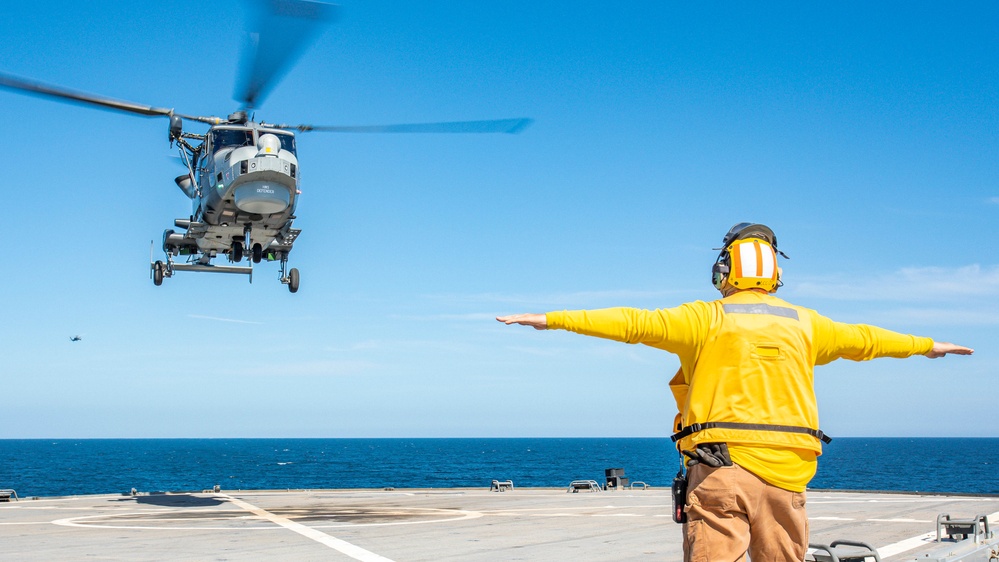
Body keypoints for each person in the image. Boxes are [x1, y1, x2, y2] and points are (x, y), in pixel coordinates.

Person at [496, 222, 973, 562]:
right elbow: (869, 340)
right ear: (775, 276)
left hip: (721, 469)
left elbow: (630, 323)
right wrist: (927, 346)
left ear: (725, 271)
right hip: (789, 476)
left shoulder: (704, 318)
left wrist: (552, 318)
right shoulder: (807, 324)